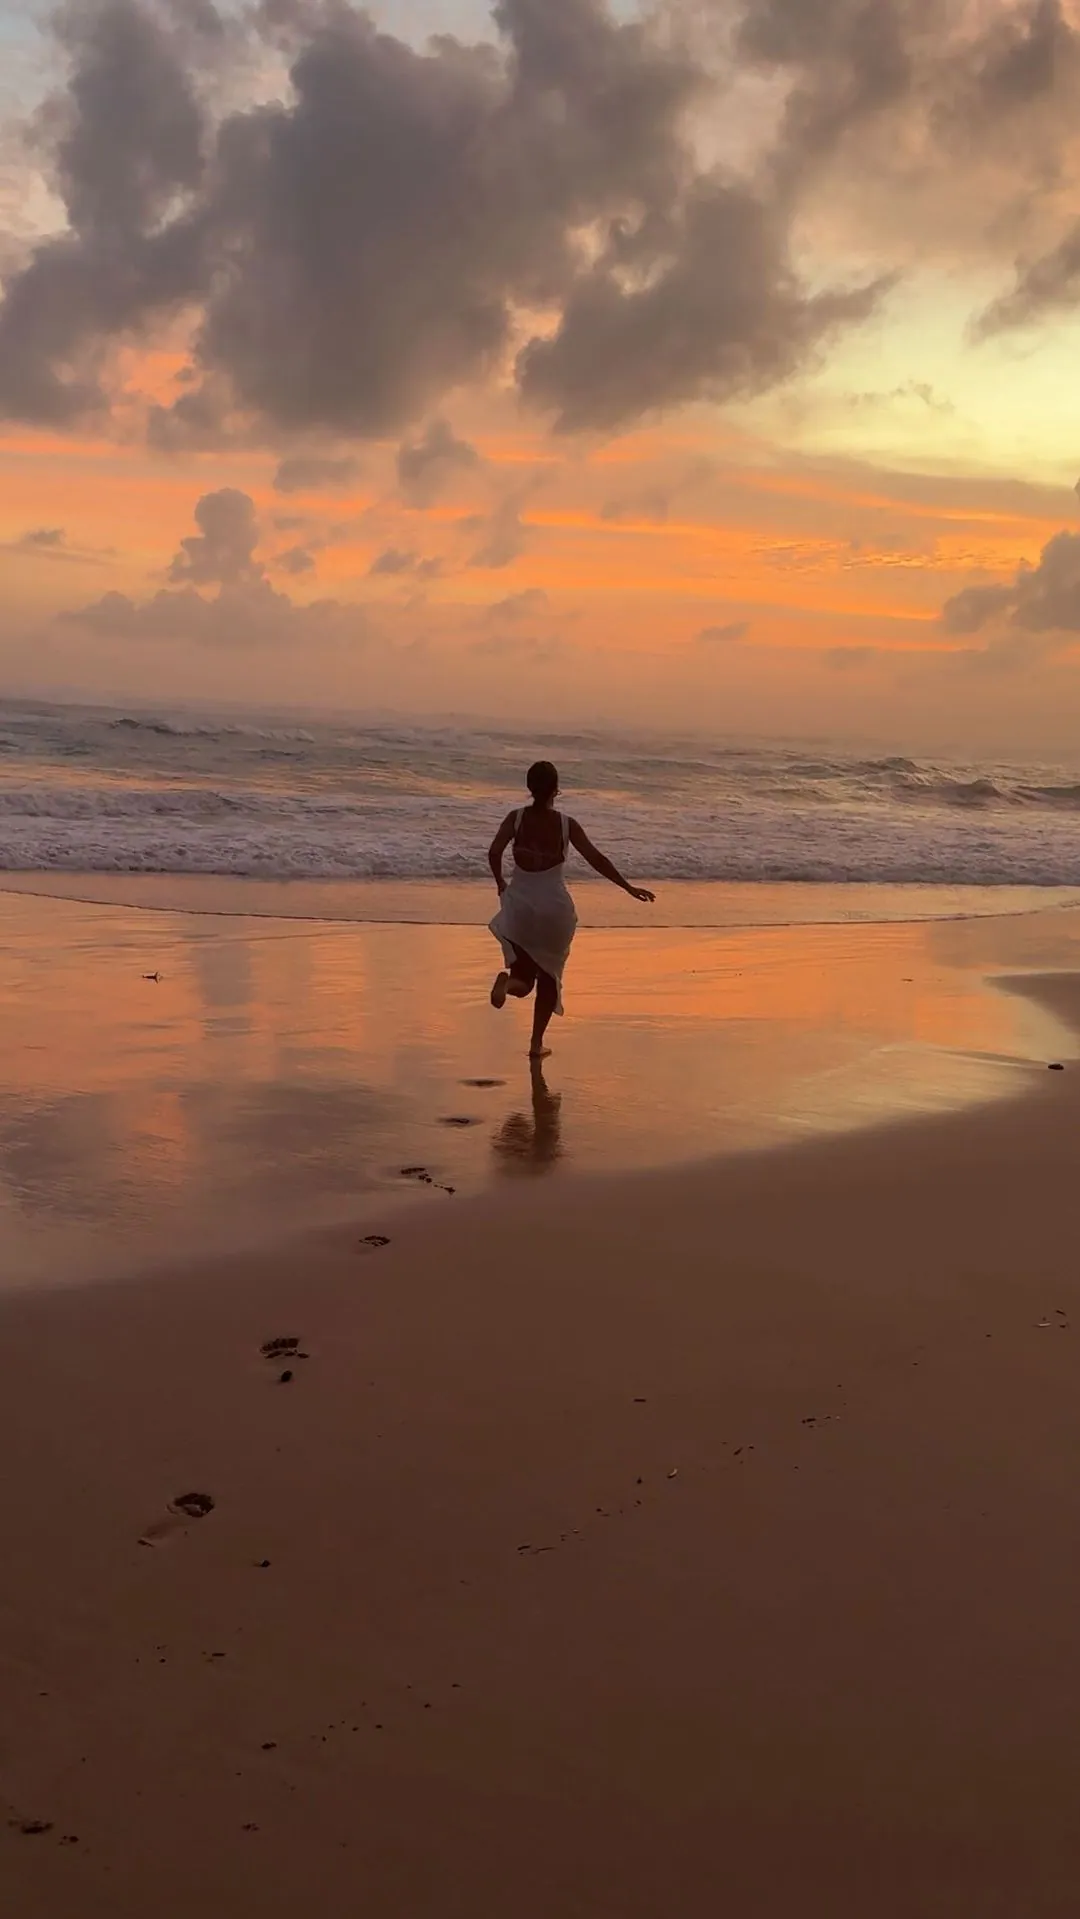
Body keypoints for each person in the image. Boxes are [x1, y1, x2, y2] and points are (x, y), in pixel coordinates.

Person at [488, 760, 655, 1059]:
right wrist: (628, 887)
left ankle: (507, 983)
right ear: (556, 789)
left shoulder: (515, 819)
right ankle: (536, 1044)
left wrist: (501, 881)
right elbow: (596, 858)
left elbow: (494, 851)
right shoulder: (566, 824)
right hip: (555, 910)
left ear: (529, 788)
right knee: (550, 977)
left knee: (524, 978)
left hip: (521, 907)